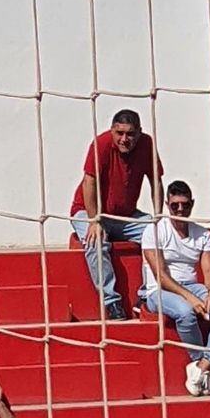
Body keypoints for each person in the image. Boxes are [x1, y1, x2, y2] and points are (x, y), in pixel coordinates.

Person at [138, 180, 210, 395]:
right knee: (185, 313)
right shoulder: (154, 230)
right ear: (167, 204)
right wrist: (190, 298)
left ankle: (203, 366)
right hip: (159, 290)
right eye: (175, 205)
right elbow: (161, 275)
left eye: (184, 205)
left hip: (193, 286)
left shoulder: (203, 234)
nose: (180, 209)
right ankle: (197, 362)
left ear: (192, 204)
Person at [70, 108, 164, 320]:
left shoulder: (147, 145)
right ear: (112, 130)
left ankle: (146, 296)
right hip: (87, 210)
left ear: (139, 132)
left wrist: (158, 217)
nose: (124, 139)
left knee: (156, 234)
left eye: (130, 134)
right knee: (95, 240)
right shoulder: (101, 144)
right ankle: (111, 303)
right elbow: (89, 181)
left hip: (125, 215)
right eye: (119, 133)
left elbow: (156, 181)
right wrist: (94, 220)